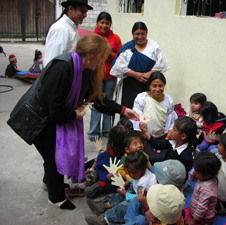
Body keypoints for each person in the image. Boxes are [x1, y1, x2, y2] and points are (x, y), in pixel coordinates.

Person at [7, 33, 139, 210]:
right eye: (101, 57)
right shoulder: (63, 68)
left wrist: (123, 110)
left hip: (51, 116)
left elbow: (97, 99)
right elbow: (52, 108)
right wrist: (72, 115)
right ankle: (56, 197)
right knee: (53, 157)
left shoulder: (84, 70)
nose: (102, 62)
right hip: (37, 118)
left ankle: (50, 183)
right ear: (91, 53)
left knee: (53, 154)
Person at [110, 21, 171, 112]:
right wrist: (135, 75)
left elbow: (162, 63)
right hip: (130, 85)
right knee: (130, 110)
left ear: (146, 34)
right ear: (133, 34)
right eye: (137, 34)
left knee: (147, 110)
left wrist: (150, 73)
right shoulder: (127, 48)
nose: (140, 37)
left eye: (143, 34)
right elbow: (118, 67)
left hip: (149, 84)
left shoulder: (153, 46)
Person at [86, 131, 152, 214]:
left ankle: (105, 206)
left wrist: (125, 178)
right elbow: (123, 170)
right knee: (118, 190)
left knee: (123, 195)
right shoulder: (124, 158)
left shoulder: (144, 158)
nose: (139, 145)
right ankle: (103, 202)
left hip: (135, 183)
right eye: (135, 144)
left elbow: (143, 174)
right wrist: (120, 175)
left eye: (140, 143)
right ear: (127, 149)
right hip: (131, 180)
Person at [85, 151, 157, 225]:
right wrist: (130, 181)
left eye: (134, 173)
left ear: (143, 168)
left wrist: (126, 194)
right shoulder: (142, 172)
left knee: (124, 205)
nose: (131, 175)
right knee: (122, 195)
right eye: (129, 172)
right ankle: (104, 206)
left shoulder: (144, 184)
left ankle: (105, 220)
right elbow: (136, 180)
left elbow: (139, 199)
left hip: (145, 205)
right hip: (139, 198)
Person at [65, 124, 129, 197]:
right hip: (108, 167)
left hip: (114, 173)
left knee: (96, 172)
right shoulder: (119, 149)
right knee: (97, 162)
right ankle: (82, 177)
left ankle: (81, 186)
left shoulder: (120, 153)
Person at [88, 11, 122, 140]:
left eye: (107, 23)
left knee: (109, 103)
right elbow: (87, 53)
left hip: (110, 76)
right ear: (97, 23)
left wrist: (109, 55)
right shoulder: (92, 36)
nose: (104, 25)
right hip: (95, 76)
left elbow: (121, 55)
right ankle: (93, 132)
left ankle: (107, 130)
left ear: (110, 25)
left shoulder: (116, 38)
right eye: (102, 22)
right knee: (96, 103)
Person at [123, 159, 187, 225]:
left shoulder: (171, 207)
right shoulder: (175, 196)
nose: (155, 179)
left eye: (157, 179)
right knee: (135, 201)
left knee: (140, 219)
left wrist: (146, 207)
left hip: (154, 216)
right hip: (154, 212)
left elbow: (158, 218)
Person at [43, 0, 93, 66]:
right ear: (71, 9)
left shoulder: (71, 27)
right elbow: (52, 62)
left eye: (86, 12)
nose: (85, 15)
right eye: (82, 11)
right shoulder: (61, 29)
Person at [184, 152, 221, 225]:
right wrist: (195, 171)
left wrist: (194, 220)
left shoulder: (206, 189)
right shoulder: (205, 177)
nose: (194, 172)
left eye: (196, 171)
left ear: (207, 175)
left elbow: (202, 208)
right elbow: (191, 178)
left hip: (203, 218)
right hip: (196, 212)